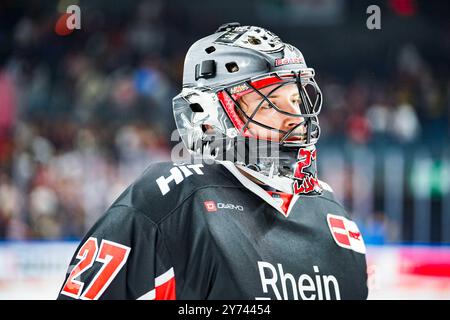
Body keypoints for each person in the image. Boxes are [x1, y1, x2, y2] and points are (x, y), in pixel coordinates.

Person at [57, 23, 368, 300]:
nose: (296, 119)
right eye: (271, 101)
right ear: (209, 116)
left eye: (297, 101)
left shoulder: (333, 217)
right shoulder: (170, 201)